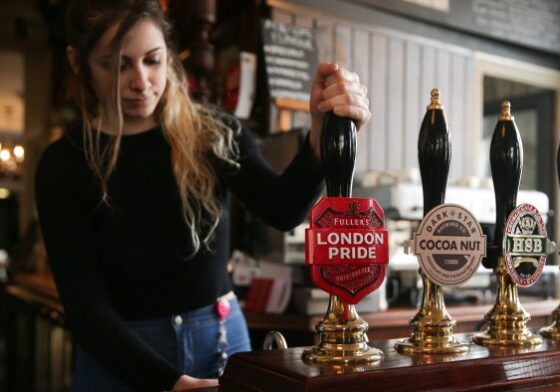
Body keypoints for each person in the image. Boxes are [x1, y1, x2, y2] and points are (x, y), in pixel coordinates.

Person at [34, 1, 370, 390]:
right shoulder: (64, 166)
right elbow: (85, 309)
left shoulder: (213, 132)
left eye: (153, 60)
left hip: (221, 345)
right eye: (116, 64)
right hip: (120, 361)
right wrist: (173, 383)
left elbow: (283, 209)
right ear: (78, 62)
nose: (141, 81)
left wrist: (319, 137)